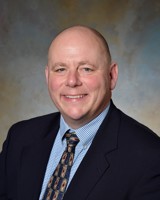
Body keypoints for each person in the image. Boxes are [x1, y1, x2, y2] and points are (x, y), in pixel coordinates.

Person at [0, 25, 160, 200]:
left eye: (86, 69)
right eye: (60, 69)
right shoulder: (20, 137)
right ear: (47, 77)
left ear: (111, 76)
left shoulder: (150, 157)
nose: (72, 81)